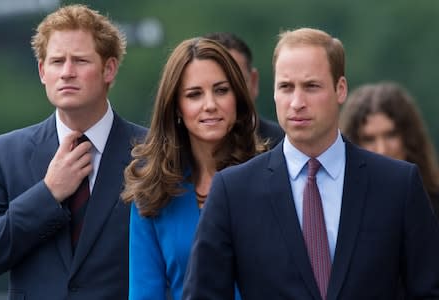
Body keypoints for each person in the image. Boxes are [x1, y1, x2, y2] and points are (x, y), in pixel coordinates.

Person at [183, 28, 439, 299]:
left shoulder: (398, 184)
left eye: (311, 86)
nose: (296, 102)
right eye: (286, 87)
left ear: (341, 89)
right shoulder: (233, 191)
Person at [0, 4, 146, 299]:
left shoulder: (153, 154)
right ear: (42, 71)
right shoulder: (2, 154)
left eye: (80, 61)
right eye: (57, 61)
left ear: (109, 69)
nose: (67, 73)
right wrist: (47, 194)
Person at [121, 37, 265, 300]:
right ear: (176, 107)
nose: (210, 104)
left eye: (221, 90)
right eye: (194, 94)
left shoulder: (270, 179)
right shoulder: (152, 193)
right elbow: (144, 293)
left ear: (238, 98)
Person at [340, 81, 439, 216]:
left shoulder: (433, 204)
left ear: (409, 139)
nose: (382, 150)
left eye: (391, 135)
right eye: (369, 139)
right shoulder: (339, 210)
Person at [204, 32, 284, 147]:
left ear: (254, 81)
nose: (228, 98)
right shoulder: (175, 155)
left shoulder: (287, 145)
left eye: (236, 83)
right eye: (220, 89)